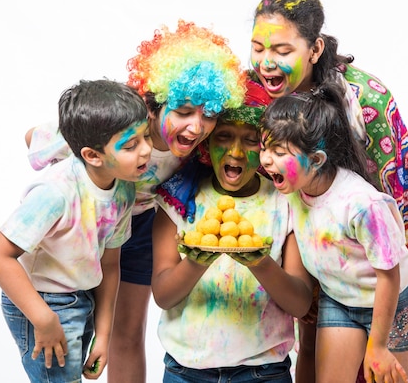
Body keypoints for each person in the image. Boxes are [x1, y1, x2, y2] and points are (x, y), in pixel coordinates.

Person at [24, 20, 246, 383]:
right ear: (156, 102)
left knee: (126, 331)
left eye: (209, 115)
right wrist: (78, 185)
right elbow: (33, 138)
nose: (196, 126)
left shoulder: (199, 145)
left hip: (140, 225)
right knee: (73, 321)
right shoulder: (118, 124)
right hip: (87, 222)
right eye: (185, 111)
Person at [249, 0, 408, 382]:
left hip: (368, 249)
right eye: (258, 47)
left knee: (383, 369)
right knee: (312, 350)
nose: (266, 62)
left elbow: (398, 203)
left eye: (282, 50)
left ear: (314, 49)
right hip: (319, 255)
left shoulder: (366, 100)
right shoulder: (252, 94)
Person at [0, 79, 153, 382]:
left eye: (146, 137)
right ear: (92, 155)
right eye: (130, 145)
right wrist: (43, 318)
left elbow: (110, 265)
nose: (146, 151)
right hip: (42, 300)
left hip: (82, 295)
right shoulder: (56, 193)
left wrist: (103, 335)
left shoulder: (125, 190)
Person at [152, 79, 314, 382]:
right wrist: (196, 261)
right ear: (207, 143)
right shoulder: (179, 200)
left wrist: (258, 262)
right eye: (224, 136)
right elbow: (162, 295)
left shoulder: (285, 203)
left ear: (267, 147)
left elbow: (300, 303)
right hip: (186, 371)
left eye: (251, 140)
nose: (236, 152)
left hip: (263, 372)